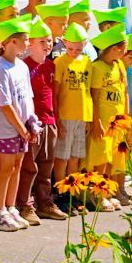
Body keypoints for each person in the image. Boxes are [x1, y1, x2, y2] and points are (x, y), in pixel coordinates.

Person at [0, 20, 36, 232]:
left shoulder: (22, 66)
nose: (28, 43)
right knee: (6, 168)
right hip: (6, 129)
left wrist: (31, 123)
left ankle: (11, 206)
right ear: (12, 42)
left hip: (22, 128)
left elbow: (28, 98)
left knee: (17, 166)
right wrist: (21, 128)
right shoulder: (0, 68)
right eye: (25, 40)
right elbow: (4, 104)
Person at [17, 19, 63, 224]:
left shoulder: (51, 65)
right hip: (32, 123)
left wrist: (55, 121)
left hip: (49, 121)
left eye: (50, 40)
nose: (48, 45)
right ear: (31, 43)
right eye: (42, 41)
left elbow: (54, 94)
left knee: (46, 166)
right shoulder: (25, 66)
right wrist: (27, 124)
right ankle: (25, 204)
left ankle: (45, 202)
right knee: (29, 167)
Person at [87, 25, 129, 210]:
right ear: (114, 48)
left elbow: (124, 91)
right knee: (101, 159)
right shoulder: (97, 67)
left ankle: (109, 191)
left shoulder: (119, 65)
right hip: (103, 121)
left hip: (116, 122)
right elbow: (94, 97)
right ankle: (98, 193)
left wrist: (125, 117)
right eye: (124, 48)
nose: (126, 52)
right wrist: (95, 122)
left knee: (113, 158)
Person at [53, 22, 92, 213]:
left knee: (75, 157)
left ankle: (73, 192)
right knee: (62, 156)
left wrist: (89, 118)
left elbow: (88, 91)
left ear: (84, 44)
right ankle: (61, 193)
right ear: (64, 43)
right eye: (70, 48)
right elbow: (56, 92)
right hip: (65, 115)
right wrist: (57, 118)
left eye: (78, 49)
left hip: (82, 116)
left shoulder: (87, 62)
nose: (74, 52)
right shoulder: (60, 62)